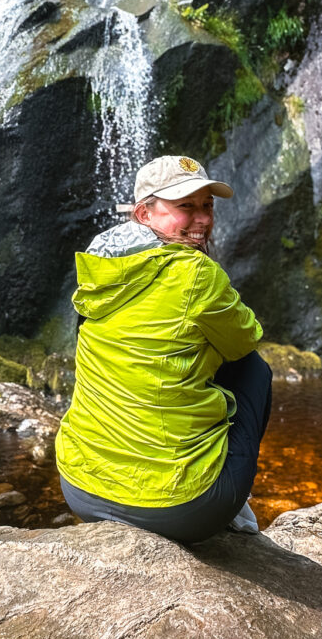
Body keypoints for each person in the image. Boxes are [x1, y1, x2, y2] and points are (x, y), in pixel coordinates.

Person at [55, 154, 272, 544]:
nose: (202, 218)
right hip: (180, 511)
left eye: (207, 205)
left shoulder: (96, 268)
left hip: (80, 489)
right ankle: (232, 505)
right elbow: (246, 339)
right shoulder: (196, 273)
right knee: (254, 369)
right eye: (185, 206)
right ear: (144, 214)